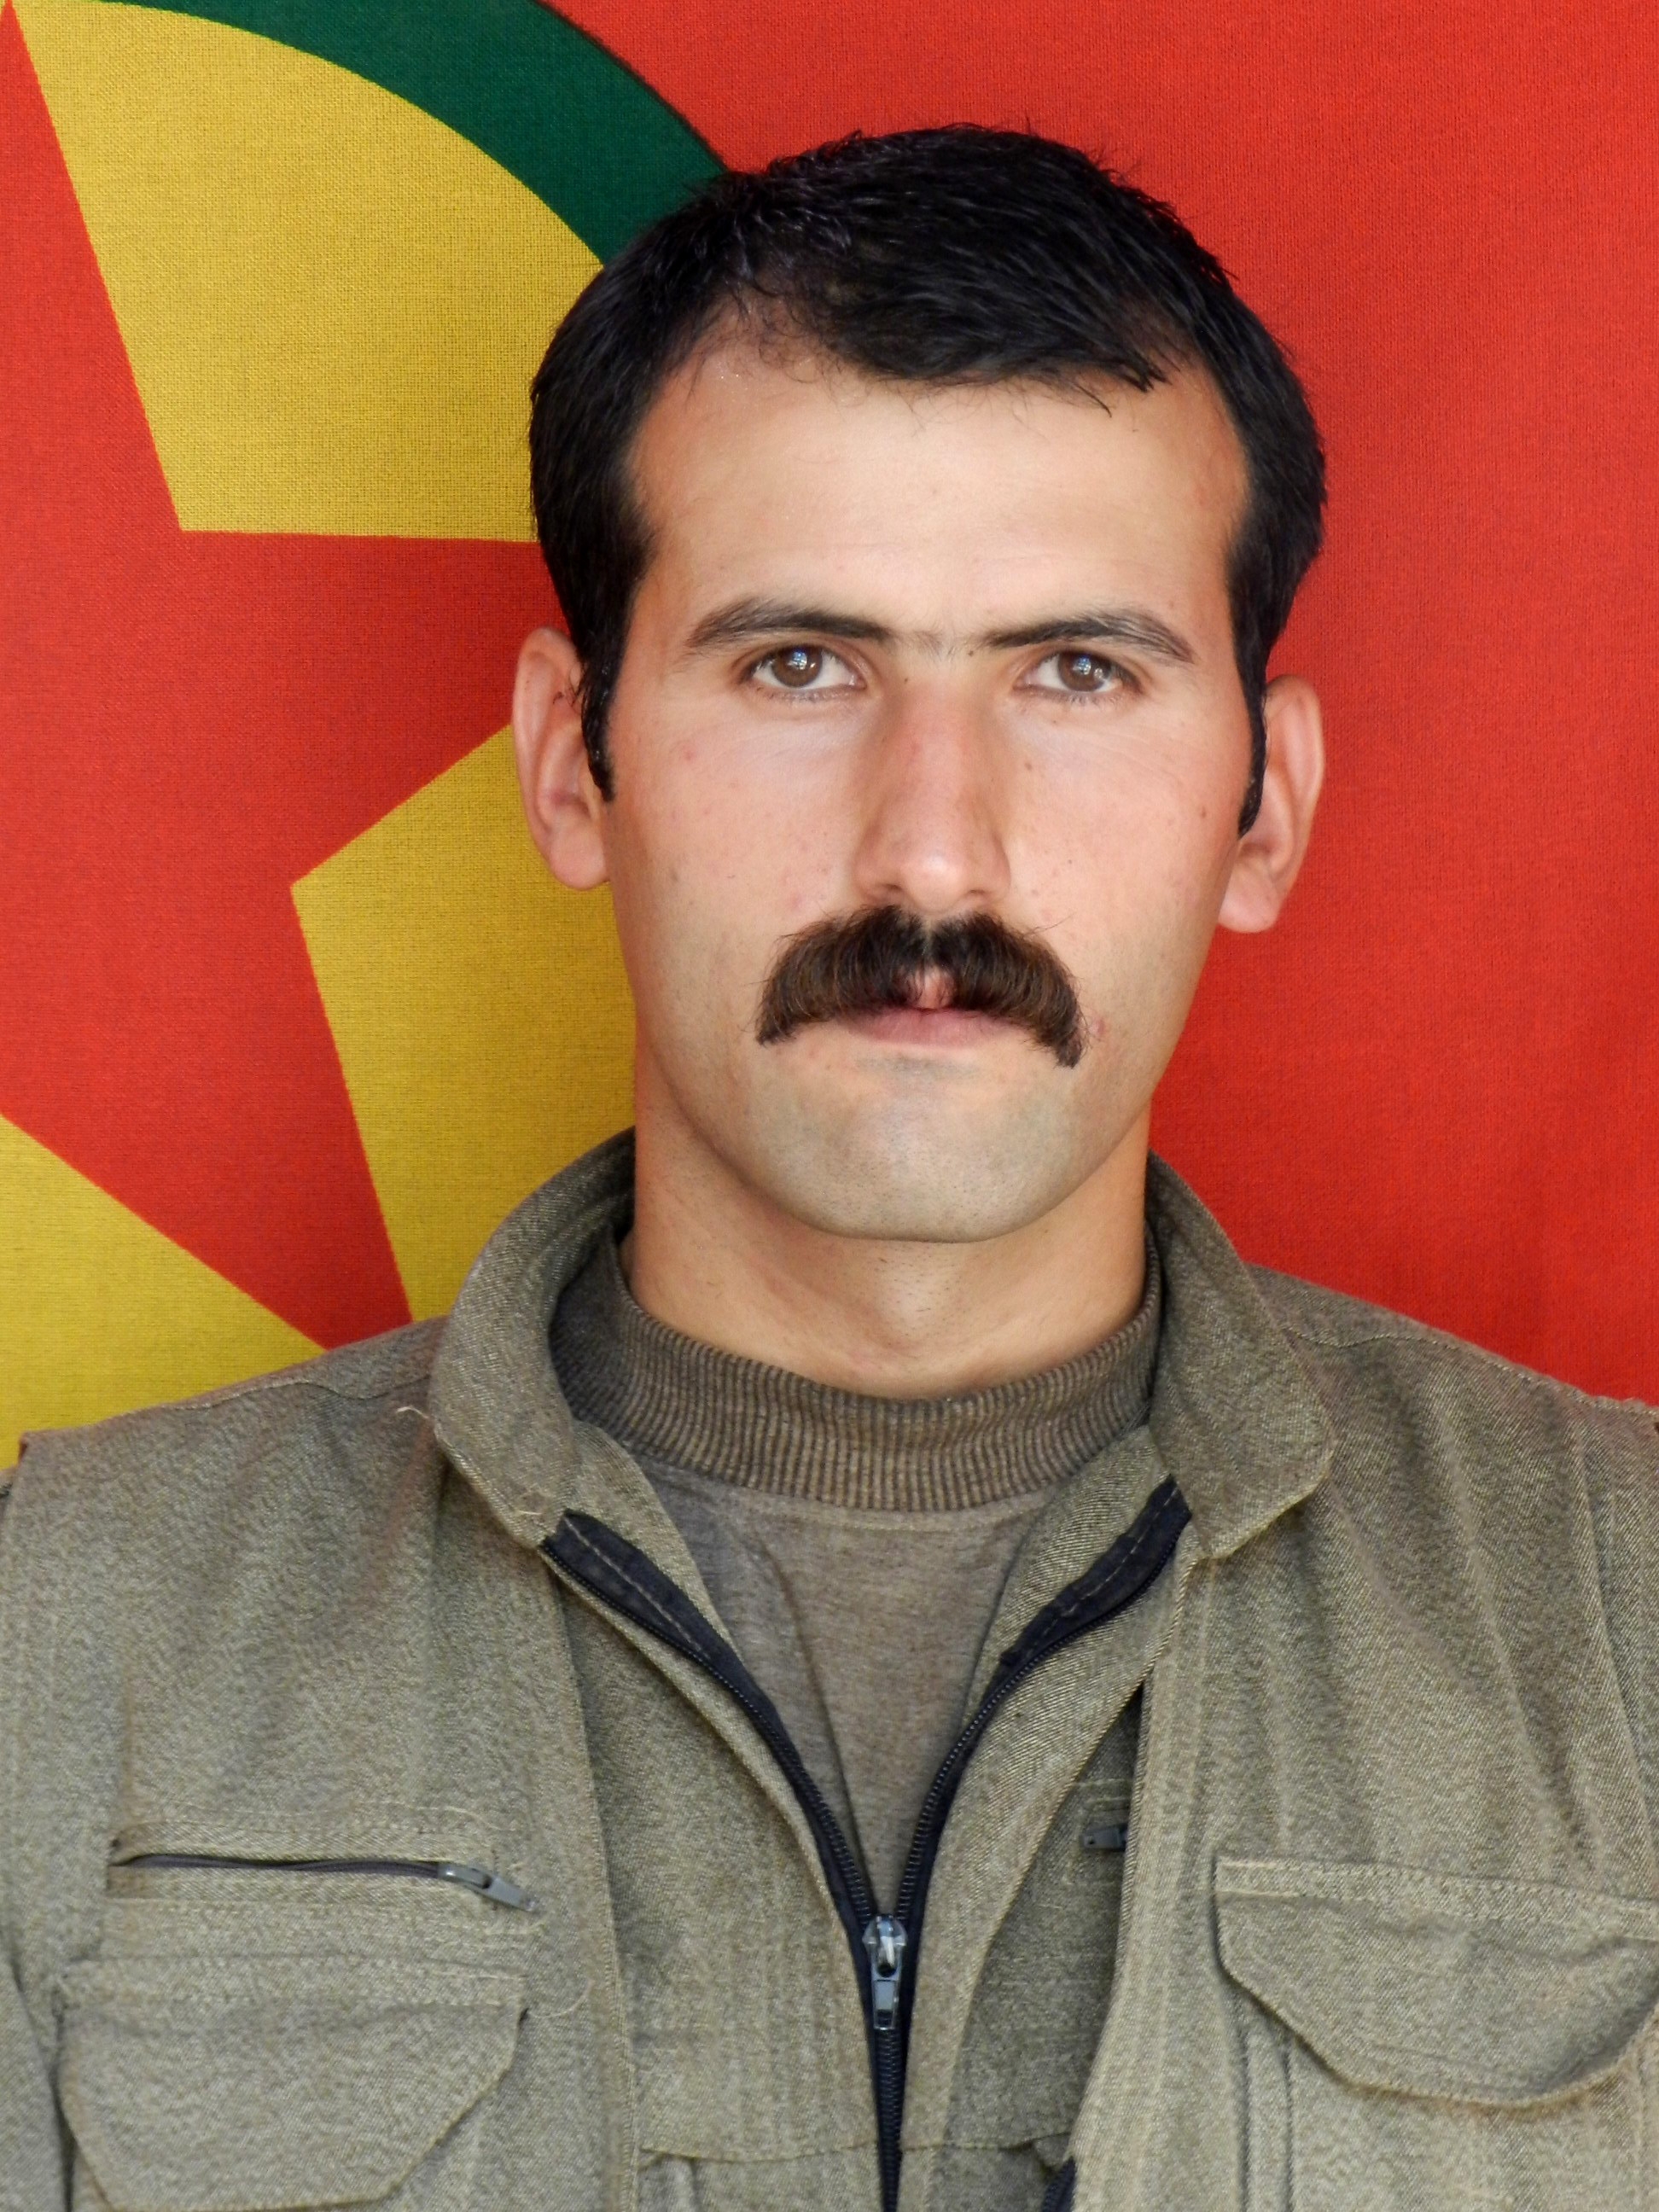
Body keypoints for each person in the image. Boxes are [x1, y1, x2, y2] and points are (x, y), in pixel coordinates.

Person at [3, 126, 1655, 2212]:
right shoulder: (69, 1635)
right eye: (799, 666)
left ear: (1265, 806)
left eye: (1077, 673)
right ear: (571, 759)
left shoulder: (1623, 1613)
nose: (933, 850)